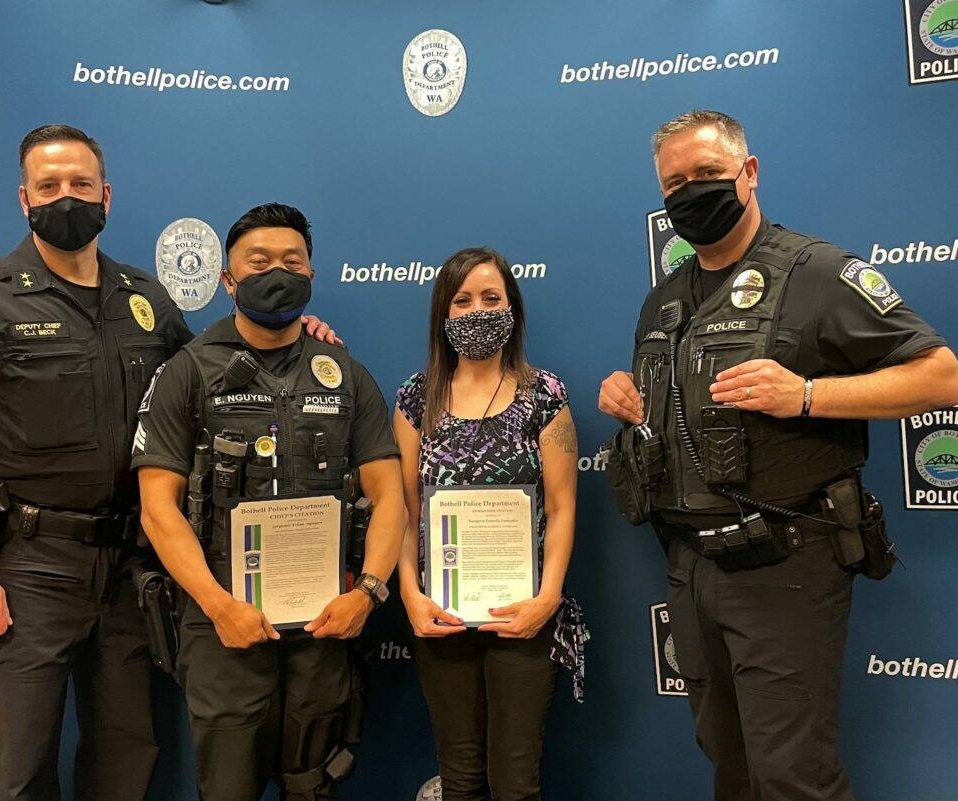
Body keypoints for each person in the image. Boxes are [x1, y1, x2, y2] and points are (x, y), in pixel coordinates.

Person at [597, 109, 958, 801]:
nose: (689, 192)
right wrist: (628, 394)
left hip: (786, 563)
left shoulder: (816, 272)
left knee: (793, 777)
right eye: (674, 183)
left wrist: (807, 394)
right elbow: (673, 414)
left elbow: (940, 375)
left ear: (749, 172)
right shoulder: (663, 301)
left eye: (706, 173)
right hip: (690, 563)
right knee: (730, 768)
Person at [0, 124, 193, 801]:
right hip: (30, 568)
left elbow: (204, 380)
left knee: (126, 757)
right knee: (24, 767)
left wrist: (298, 335)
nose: (66, 197)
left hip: (131, 563)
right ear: (22, 198)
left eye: (81, 184)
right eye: (49, 185)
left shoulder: (146, 301)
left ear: (107, 195)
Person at [132, 202, 406, 801]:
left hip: (325, 622)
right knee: (229, 788)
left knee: (313, 785)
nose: (276, 272)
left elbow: (390, 497)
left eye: (292, 261)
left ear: (311, 274)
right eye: (258, 262)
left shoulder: (346, 374)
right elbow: (158, 507)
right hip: (224, 625)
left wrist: (369, 593)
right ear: (228, 280)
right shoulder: (187, 372)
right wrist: (216, 605)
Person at [393, 246, 584, 801]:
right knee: (461, 777)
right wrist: (409, 594)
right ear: (443, 314)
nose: (478, 311)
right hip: (441, 615)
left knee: (515, 783)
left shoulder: (544, 395)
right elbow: (403, 511)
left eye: (491, 298)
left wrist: (547, 600)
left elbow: (564, 507)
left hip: (522, 614)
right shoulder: (414, 397)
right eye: (463, 300)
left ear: (512, 308)